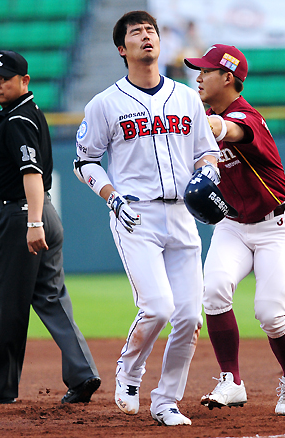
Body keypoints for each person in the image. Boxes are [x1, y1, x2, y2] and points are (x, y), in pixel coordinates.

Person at [73, 11, 220, 426]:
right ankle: (129, 371)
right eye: (136, 32)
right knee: (156, 307)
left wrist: (208, 172)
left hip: (183, 213)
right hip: (136, 213)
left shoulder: (186, 97)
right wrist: (111, 197)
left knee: (189, 317)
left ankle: (166, 401)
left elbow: (206, 152)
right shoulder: (105, 103)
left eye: (151, 30)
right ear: (122, 49)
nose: (146, 36)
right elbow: (84, 161)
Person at [0, 50, 101, 404]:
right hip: (42, 214)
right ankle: (83, 373)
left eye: (4, 78)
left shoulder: (17, 121)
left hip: (19, 218)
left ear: (24, 80)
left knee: (6, 304)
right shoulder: (21, 112)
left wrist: (33, 223)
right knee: (52, 298)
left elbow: (31, 173)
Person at [184, 44, 285, 415]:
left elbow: (229, 130)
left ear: (228, 78)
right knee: (214, 292)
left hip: (274, 227)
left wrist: (203, 124)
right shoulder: (208, 116)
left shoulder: (243, 116)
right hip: (233, 226)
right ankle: (231, 381)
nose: (199, 77)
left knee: (270, 314)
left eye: (206, 71)